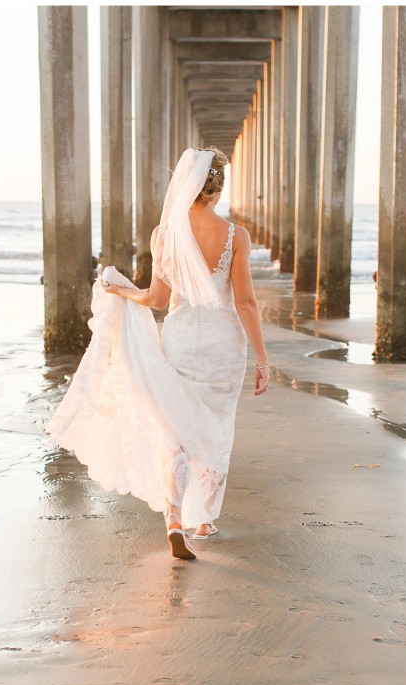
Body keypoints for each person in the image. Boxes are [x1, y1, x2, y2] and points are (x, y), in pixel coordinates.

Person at [45, 146, 270, 561]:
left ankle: (173, 516)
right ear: (218, 190)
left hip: (182, 338)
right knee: (216, 428)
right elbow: (246, 304)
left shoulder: (165, 234)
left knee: (177, 427)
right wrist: (262, 359)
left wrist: (122, 291)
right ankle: (202, 520)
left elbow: (158, 299)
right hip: (224, 345)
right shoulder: (237, 237)